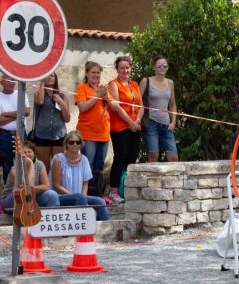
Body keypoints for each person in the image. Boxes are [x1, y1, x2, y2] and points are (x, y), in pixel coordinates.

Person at [107, 56, 144, 203]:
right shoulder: (113, 84)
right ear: (117, 69)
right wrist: (130, 122)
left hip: (135, 125)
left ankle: (127, 189)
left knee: (132, 159)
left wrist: (137, 121)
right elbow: (116, 107)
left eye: (127, 67)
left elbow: (141, 105)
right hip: (120, 127)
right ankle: (114, 191)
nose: (125, 70)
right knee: (120, 158)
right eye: (122, 68)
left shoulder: (134, 84)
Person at [51, 131, 109, 221]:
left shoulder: (84, 159)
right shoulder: (58, 159)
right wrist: (75, 196)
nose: (75, 145)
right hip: (61, 197)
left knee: (100, 201)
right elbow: (56, 185)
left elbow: (85, 183)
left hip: (80, 198)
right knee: (79, 197)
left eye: (78, 142)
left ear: (81, 144)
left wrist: (83, 197)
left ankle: (103, 227)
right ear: (66, 144)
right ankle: (83, 224)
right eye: (71, 142)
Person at [75, 61, 113, 176]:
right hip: (88, 134)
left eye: (98, 73)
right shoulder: (82, 88)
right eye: (93, 72)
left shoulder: (102, 89)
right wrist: (97, 96)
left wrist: (106, 97)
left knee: (99, 167)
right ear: (86, 73)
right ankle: (85, 188)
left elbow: (114, 108)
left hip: (103, 133)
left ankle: (96, 188)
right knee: (88, 166)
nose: (96, 75)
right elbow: (82, 107)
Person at [139, 55, 179, 162]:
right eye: (159, 65)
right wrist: (137, 119)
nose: (162, 68)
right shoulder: (146, 81)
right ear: (154, 67)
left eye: (165, 66)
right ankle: (151, 174)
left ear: (167, 68)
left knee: (173, 157)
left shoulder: (170, 83)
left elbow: (172, 104)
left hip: (166, 124)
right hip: (151, 123)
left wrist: (173, 122)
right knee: (153, 155)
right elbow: (137, 101)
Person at [1, 140, 61, 210]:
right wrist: (30, 164)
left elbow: (46, 186)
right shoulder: (15, 169)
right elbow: (25, 189)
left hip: (32, 197)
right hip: (13, 198)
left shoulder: (39, 165)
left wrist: (32, 189)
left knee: (52, 195)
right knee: (22, 194)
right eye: (24, 152)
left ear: (34, 154)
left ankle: (49, 215)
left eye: (29, 152)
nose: (27, 154)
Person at [32, 72, 71, 171]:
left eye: (52, 75)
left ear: (55, 79)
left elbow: (67, 119)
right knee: (44, 168)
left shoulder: (63, 96)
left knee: (58, 168)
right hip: (42, 135)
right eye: (47, 75)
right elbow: (40, 101)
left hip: (59, 135)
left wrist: (60, 102)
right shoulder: (38, 94)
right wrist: (42, 82)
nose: (49, 77)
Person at [0, 76, 30, 178]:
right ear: (1, 82)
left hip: (20, 133)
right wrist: (18, 115)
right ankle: (8, 186)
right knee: (7, 163)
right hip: (4, 136)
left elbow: (27, 112)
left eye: (13, 80)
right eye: (8, 80)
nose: (11, 83)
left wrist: (6, 114)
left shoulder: (21, 94)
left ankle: (23, 185)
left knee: (23, 161)